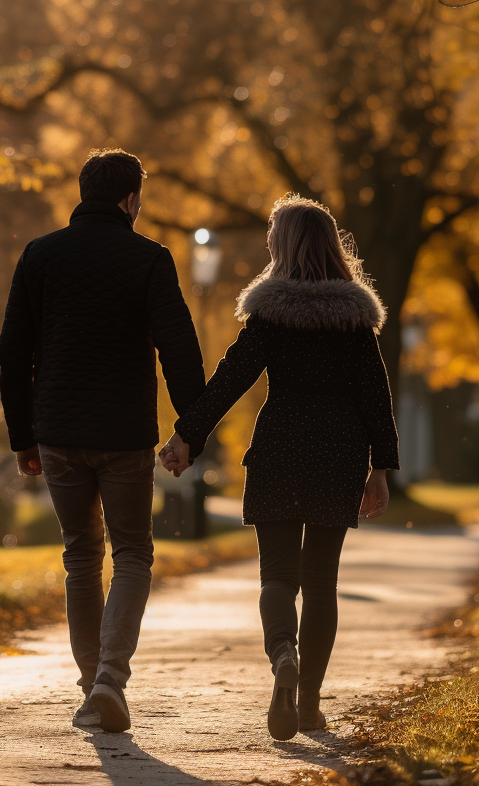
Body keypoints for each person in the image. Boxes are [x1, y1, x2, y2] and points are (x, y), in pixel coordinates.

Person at [160, 195, 398, 741]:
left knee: (278, 576)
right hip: (340, 453)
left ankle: (282, 654)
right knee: (320, 583)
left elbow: (230, 377)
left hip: (279, 449)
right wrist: (381, 469)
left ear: (284, 246)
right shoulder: (355, 320)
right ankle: (309, 703)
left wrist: (186, 435)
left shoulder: (271, 314)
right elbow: (374, 396)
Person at [0, 148, 205, 733]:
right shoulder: (149, 259)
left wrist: (23, 435)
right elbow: (179, 350)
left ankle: (94, 689)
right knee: (132, 552)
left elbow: (14, 351)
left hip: (57, 430)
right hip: (124, 434)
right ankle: (110, 680)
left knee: (81, 557)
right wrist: (190, 431)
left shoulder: (40, 255)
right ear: (131, 199)